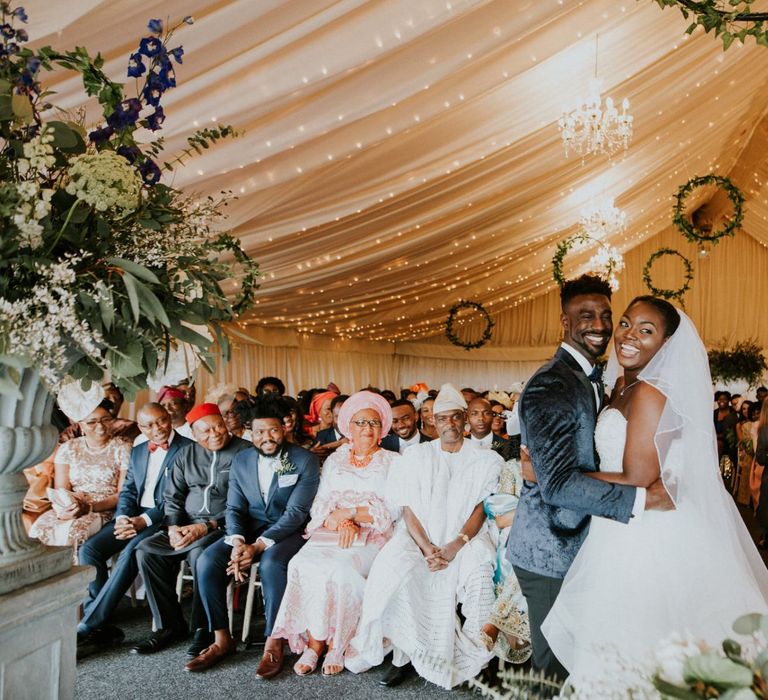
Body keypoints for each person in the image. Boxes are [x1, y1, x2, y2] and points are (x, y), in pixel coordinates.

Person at [542, 297, 768, 690]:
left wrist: (560, 475)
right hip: (619, 521)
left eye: (646, 331)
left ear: (665, 345)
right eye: (627, 323)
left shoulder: (650, 393)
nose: (629, 336)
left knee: (641, 639)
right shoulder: (620, 386)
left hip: (648, 532)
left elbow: (637, 475)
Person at [507, 275, 672, 682]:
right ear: (564, 321)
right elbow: (561, 485)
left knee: (587, 658)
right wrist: (642, 500)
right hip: (550, 549)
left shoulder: (602, 381)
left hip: (590, 542)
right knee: (553, 671)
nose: (598, 325)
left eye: (605, 316)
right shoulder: (551, 384)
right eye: (585, 316)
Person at [347, 383, 502, 690]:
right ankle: (403, 656)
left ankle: (476, 658)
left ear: (465, 419)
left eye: (457, 417)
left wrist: (455, 546)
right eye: (442, 418)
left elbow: (481, 509)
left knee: (481, 572)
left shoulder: (487, 459)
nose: (450, 424)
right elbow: (406, 508)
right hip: (420, 537)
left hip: (466, 538)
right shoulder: (415, 456)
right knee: (393, 566)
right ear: (432, 421)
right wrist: (428, 547)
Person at [187, 399, 320, 676]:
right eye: (259, 432)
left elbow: (296, 513)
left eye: (272, 431)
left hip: (288, 532)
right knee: (206, 560)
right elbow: (234, 508)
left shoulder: (303, 460)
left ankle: (274, 642)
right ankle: (222, 639)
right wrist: (237, 541)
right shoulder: (242, 459)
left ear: (283, 428)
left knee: (272, 565)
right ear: (251, 432)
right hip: (247, 530)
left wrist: (258, 545)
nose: (266, 438)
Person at [271, 391, 397, 677]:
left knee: (341, 571)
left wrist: (352, 516)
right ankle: (315, 643)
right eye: (360, 422)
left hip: (373, 534)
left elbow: (393, 510)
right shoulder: (335, 460)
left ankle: (338, 644)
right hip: (332, 530)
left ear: (383, 429)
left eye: (374, 423)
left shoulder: (393, 462)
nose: (367, 428)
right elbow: (322, 503)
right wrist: (340, 521)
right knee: (301, 565)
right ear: (347, 427)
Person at [131, 403, 251, 657]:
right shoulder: (186, 454)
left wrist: (207, 526)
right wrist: (174, 528)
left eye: (218, 426)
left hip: (226, 526)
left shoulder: (245, 452)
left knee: (199, 556)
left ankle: (204, 628)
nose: (214, 433)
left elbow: (249, 502)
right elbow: (172, 496)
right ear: (194, 435)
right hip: (186, 524)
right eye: (205, 431)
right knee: (146, 550)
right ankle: (169, 625)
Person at [76, 403, 192, 656]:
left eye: (161, 421)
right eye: (149, 425)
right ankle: (100, 618)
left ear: (169, 419)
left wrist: (145, 521)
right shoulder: (139, 450)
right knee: (89, 550)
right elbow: (128, 490)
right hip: (133, 516)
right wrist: (122, 518)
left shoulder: (188, 449)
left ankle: (90, 625)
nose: (157, 428)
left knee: (131, 552)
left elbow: (179, 499)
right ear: (141, 428)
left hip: (165, 519)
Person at [30, 397, 130, 555]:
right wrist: (67, 509)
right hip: (72, 506)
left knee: (73, 534)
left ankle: (78, 579)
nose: (100, 427)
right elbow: (61, 490)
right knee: (38, 532)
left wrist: (89, 507)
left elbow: (122, 494)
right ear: (80, 424)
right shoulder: (68, 448)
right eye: (92, 422)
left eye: (106, 420)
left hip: (103, 509)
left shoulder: (122, 449)